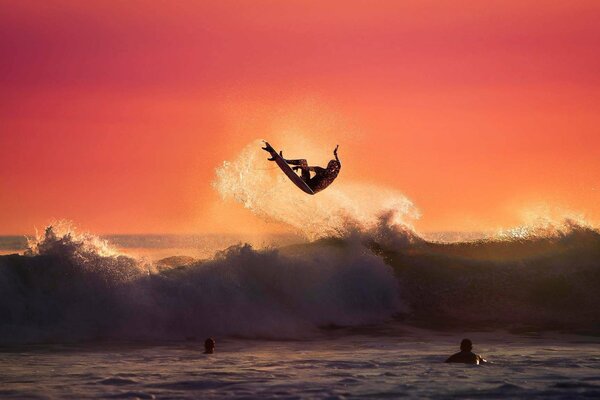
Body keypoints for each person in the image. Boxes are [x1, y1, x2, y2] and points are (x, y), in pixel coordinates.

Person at [263, 143, 341, 194]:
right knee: (303, 161)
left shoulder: (333, 175)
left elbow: (339, 165)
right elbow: (306, 168)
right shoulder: (320, 170)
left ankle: (284, 160)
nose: (331, 168)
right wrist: (298, 167)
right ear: (328, 166)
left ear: (334, 169)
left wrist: (336, 155)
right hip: (307, 183)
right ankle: (284, 160)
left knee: (303, 164)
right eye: (330, 166)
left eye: (333, 167)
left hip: (311, 188)